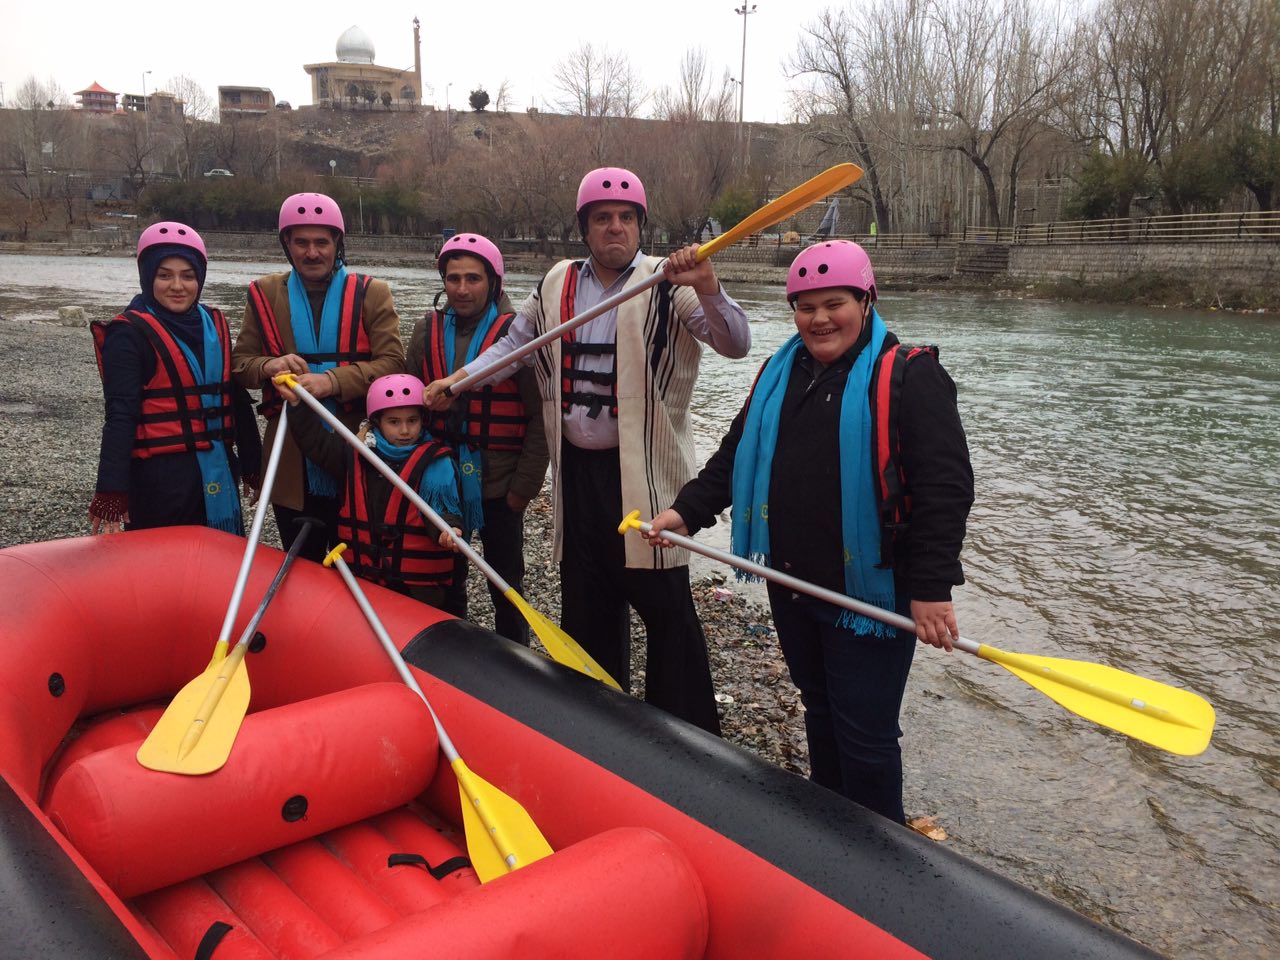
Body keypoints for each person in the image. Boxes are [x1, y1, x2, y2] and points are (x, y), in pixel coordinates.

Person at [645, 240, 974, 822]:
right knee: (818, 710)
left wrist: (931, 588)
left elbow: (946, 491)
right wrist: (685, 512)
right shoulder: (779, 371)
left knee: (866, 735)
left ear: (866, 301)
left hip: (868, 593)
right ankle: (831, 829)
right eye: (806, 306)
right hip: (791, 580)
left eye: (835, 303)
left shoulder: (912, 376)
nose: (820, 319)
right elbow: (734, 455)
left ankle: (878, 853)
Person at [425, 166, 750, 735]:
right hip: (577, 476)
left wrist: (707, 286)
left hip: (646, 476)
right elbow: (515, 344)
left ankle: (689, 733)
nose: (616, 228)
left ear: (640, 226)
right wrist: (458, 382)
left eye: (626, 218)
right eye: (603, 219)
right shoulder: (554, 283)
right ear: (585, 227)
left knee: (666, 606)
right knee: (589, 601)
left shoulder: (667, 281)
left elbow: (735, 343)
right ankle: (600, 720)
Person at [232, 192, 405, 563]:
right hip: (289, 453)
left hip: (355, 446)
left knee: (361, 563)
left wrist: (331, 381)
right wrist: (268, 367)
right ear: (287, 245)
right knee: (299, 565)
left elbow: (392, 363)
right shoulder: (263, 294)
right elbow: (241, 364)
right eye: (301, 242)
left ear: (337, 244)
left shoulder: (373, 294)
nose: (312, 252)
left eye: (321, 242)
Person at [406, 233, 549, 645]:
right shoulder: (425, 330)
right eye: (453, 279)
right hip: (443, 480)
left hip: (499, 486)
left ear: (493, 282)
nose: (462, 289)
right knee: (445, 578)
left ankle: (515, 656)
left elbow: (540, 418)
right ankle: (449, 652)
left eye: (473, 278)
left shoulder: (518, 338)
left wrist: (523, 488)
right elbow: (409, 403)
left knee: (506, 584)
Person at [90, 222, 261, 535]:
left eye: (188, 275)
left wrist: (253, 465)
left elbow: (235, 400)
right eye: (164, 275)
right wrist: (111, 489)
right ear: (147, 276)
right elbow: (120, 415)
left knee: (219, 563)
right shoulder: (127, 334)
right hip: (158, 481)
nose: (177, 286)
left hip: (217, 470)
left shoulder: (214, 323)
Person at [273, 373, 462, 608]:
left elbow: (442, 508)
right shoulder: (357, 452)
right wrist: (297, 404)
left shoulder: (435, 463)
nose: (405, 430)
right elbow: (317, 444)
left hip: (414, 587)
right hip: (364, 576)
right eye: (394, 422)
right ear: (377, 423)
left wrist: (447, 529)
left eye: (412, 420)